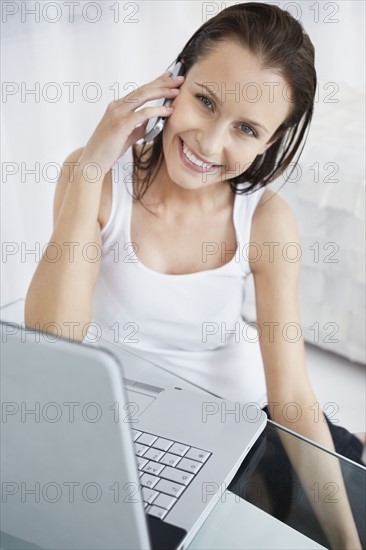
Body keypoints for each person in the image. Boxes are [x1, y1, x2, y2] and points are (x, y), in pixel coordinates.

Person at [25, 3, 363, 547]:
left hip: (239, 423)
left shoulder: (267, 221)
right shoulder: (94, 178)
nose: (209, 143)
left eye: (246, 129)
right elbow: (52, 340)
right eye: (205, 101)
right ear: (174, 80)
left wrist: (349, 544)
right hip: (125, 431)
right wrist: (90, 165)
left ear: (268, 143)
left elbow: (293, 399)